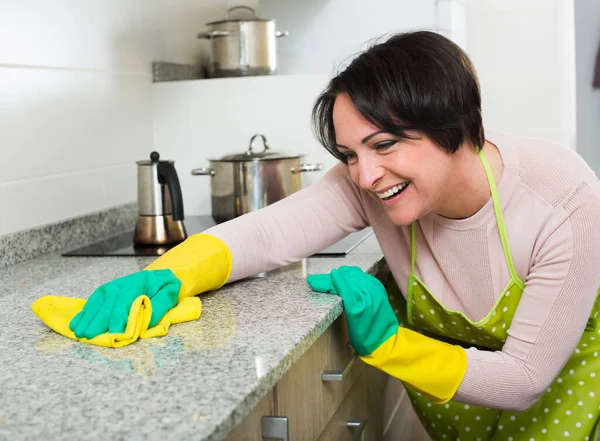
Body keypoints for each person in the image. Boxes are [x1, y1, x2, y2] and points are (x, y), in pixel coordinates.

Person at [33, 31, 600, 440]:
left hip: (560, 407)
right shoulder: (374, 183)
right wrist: (167, 274)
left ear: (454, 123)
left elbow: (525, 378)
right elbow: (271, 231)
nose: (365, 175)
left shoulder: (563, 198)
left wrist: (391, 347)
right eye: (350, 154)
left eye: (384, 145)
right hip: (459, 417)